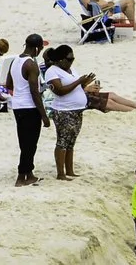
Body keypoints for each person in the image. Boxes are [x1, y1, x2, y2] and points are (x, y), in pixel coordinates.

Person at [41, 43, 91, 180]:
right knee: (62, 141)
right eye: (69, 59)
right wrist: (79, 82)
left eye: (72, 59)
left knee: (71, 142)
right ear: (61, 59)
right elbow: (59, 91)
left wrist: (84, 83)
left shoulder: (71, 69)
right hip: (63, 110)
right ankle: (60, 173)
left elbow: (74, 86)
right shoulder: (52, 71)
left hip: (76, 110)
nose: (71, 61)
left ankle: (69, 170)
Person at [7, 32, 46, 185]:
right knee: (30, 143)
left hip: (18, 106)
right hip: (30, 107)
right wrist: (43, 115)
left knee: (24, 141)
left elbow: (9, 84)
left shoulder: (15, 61)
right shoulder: (31, 64)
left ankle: (28, 173)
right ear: (36, 48)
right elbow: (34, 91)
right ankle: (21, 176)